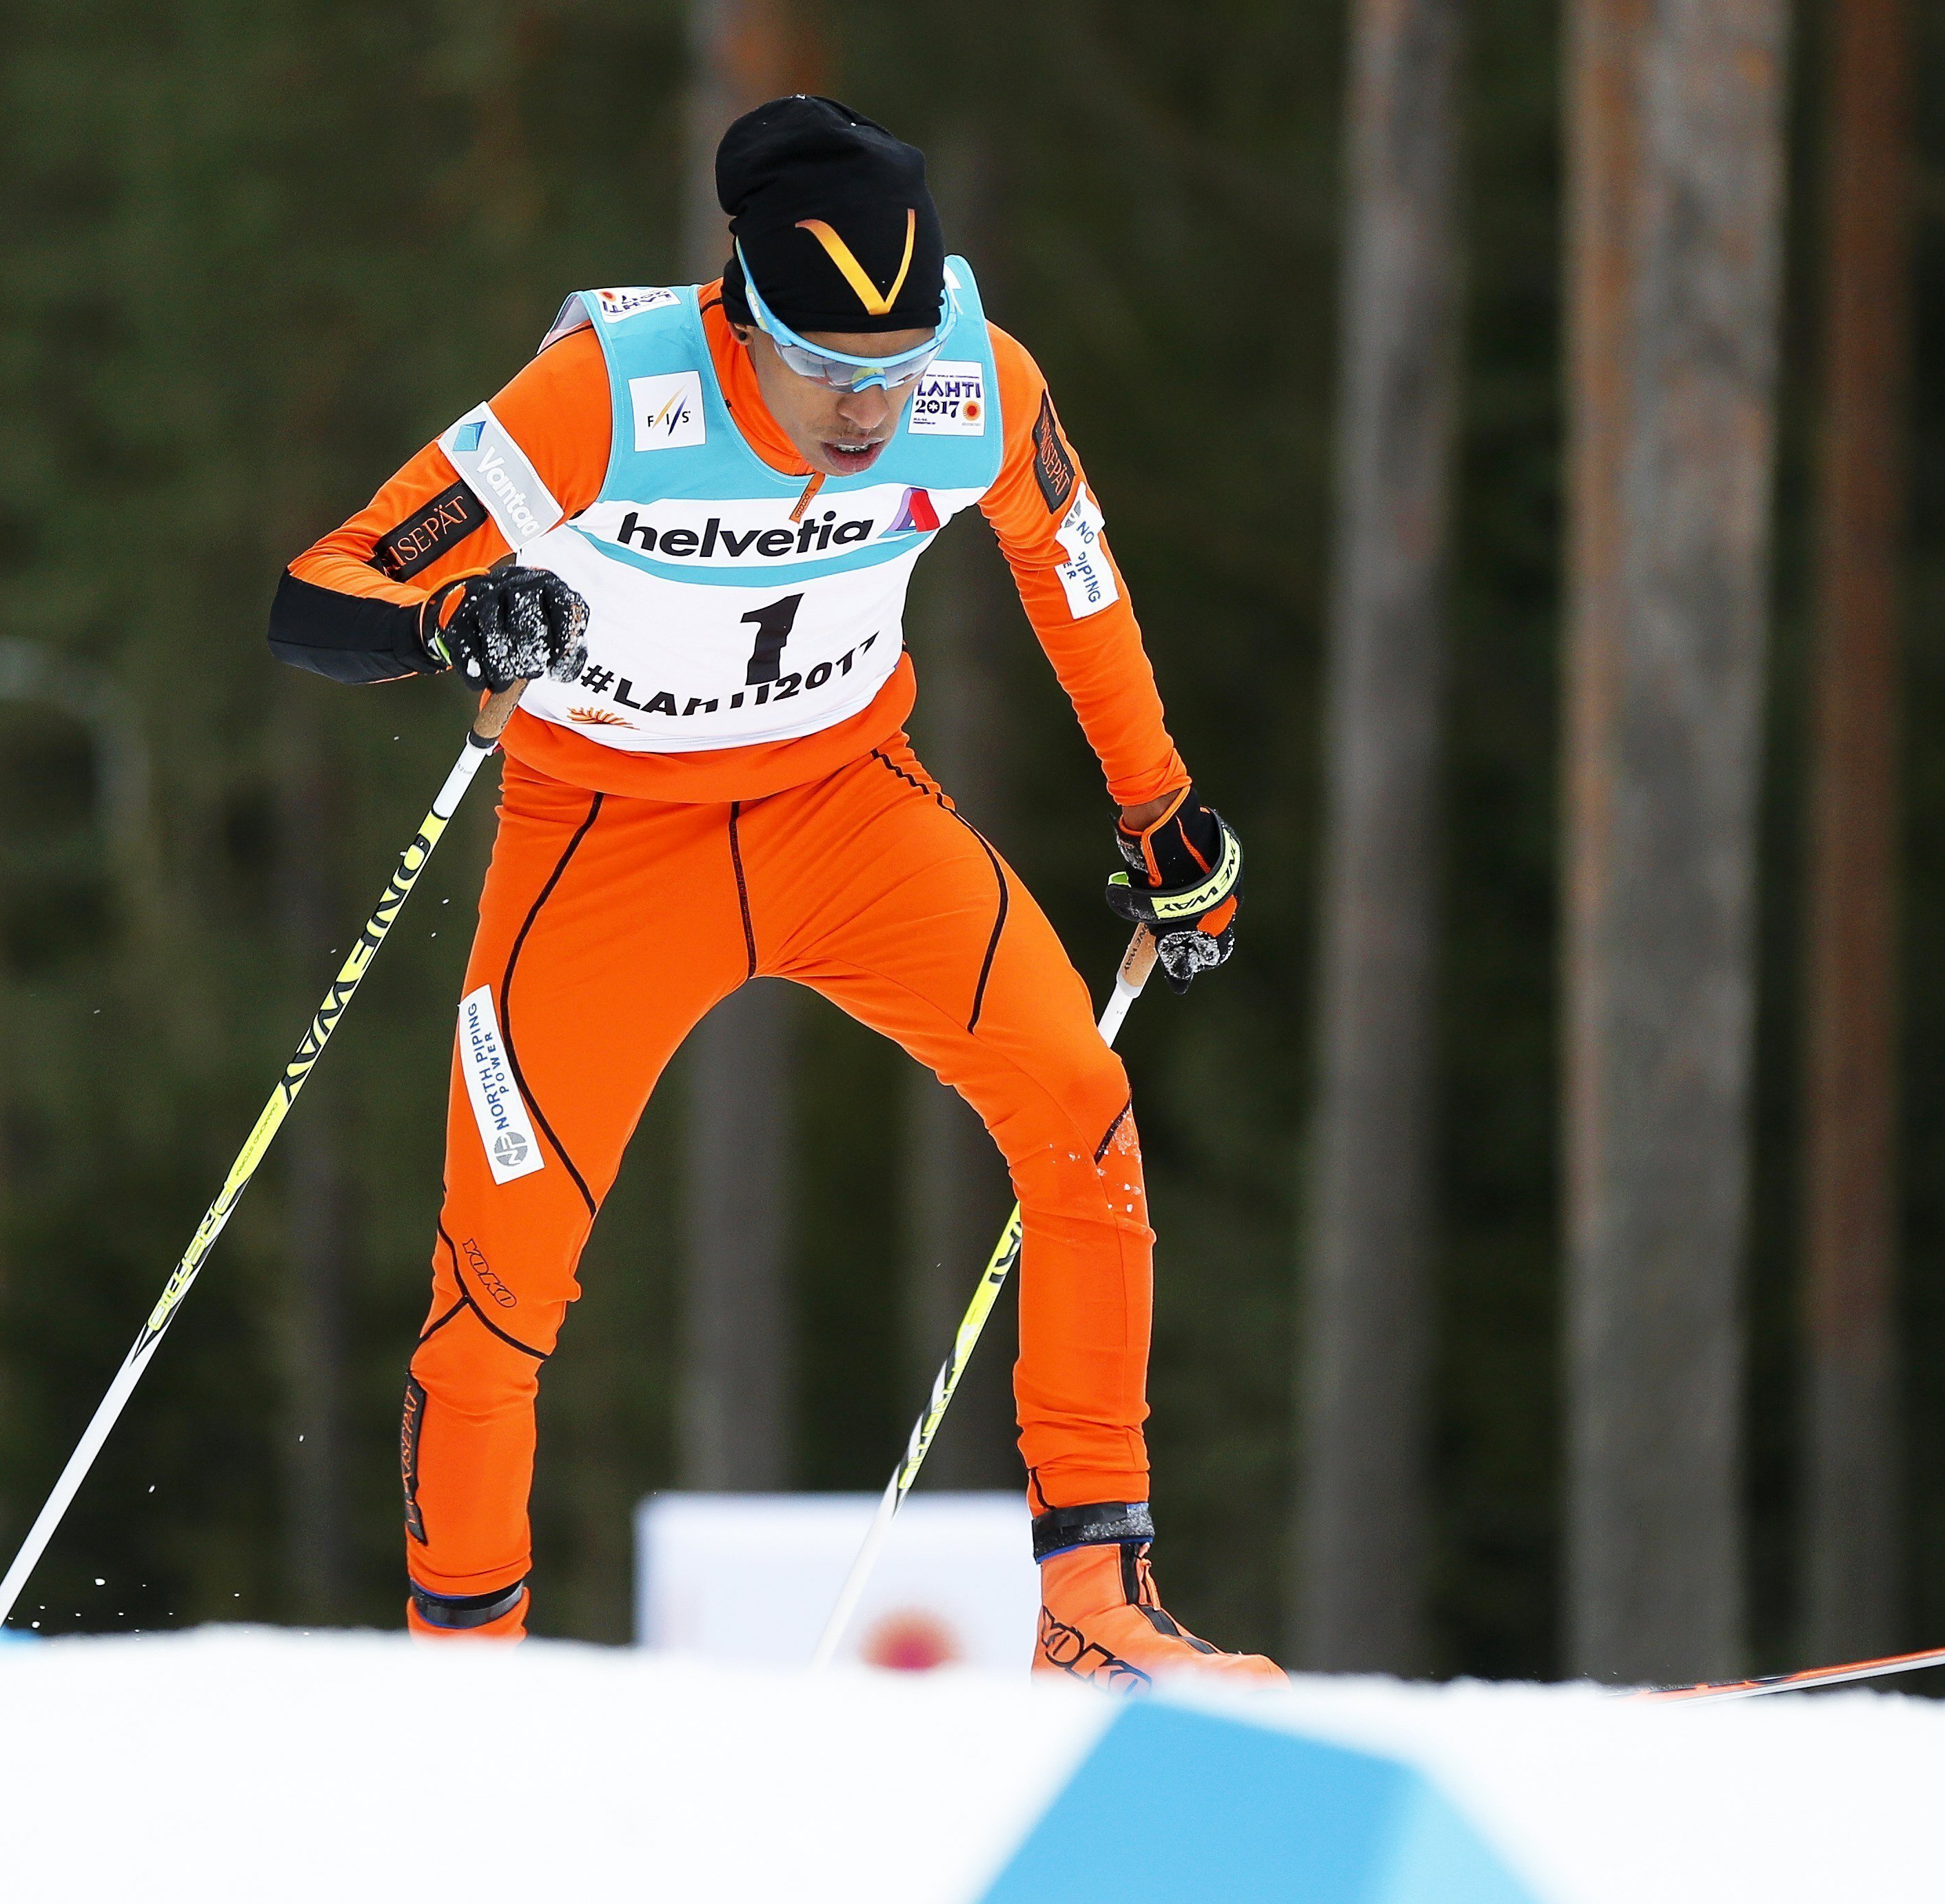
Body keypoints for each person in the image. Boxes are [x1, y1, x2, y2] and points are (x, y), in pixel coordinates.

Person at [268, 96, 1276, 1687]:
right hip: (603, 839)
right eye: (829, 369)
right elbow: (324, 587)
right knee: (497, 1283)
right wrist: (455, 622)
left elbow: (1070, 576)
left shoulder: (975, 384)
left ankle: (1095, 1609)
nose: (869, 409)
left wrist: (1157, 811)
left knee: (1078, 1099)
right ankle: (459, 1690)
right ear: (739, 316)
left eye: (895, 363)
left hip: (844, 815)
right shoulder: (610, 389)